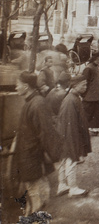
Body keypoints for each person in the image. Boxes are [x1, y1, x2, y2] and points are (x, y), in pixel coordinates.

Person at [10, 72, 62, 215]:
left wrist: (54, 155)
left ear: (26, 87)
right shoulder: (32, 101)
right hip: (29, 158)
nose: (16, 88)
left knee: (37, 198)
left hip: (32, 158)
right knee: (36, 195)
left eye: (18, 85)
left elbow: (47, 133)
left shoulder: (37, 104)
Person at [56, 74, 92, 197]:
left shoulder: (72, 97)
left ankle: (62, 185)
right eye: (84, 85)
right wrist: (74, 141)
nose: (86, 87)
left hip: (65, 135)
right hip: (70, 135)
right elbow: (70, 124)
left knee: (64, 159)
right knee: (71, 159)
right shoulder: (71, 100)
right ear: (76, 85)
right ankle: (73, 187)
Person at [82, 51, 99, 136]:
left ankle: (92, 128)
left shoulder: (95, 67)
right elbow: (84, 82)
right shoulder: (88, 68)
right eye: (97, 59)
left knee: (94, 114)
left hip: (95, 96)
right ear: (93, 59)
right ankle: (85, 129)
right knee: (88, 113)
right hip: (89, 96)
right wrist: (83, 94)